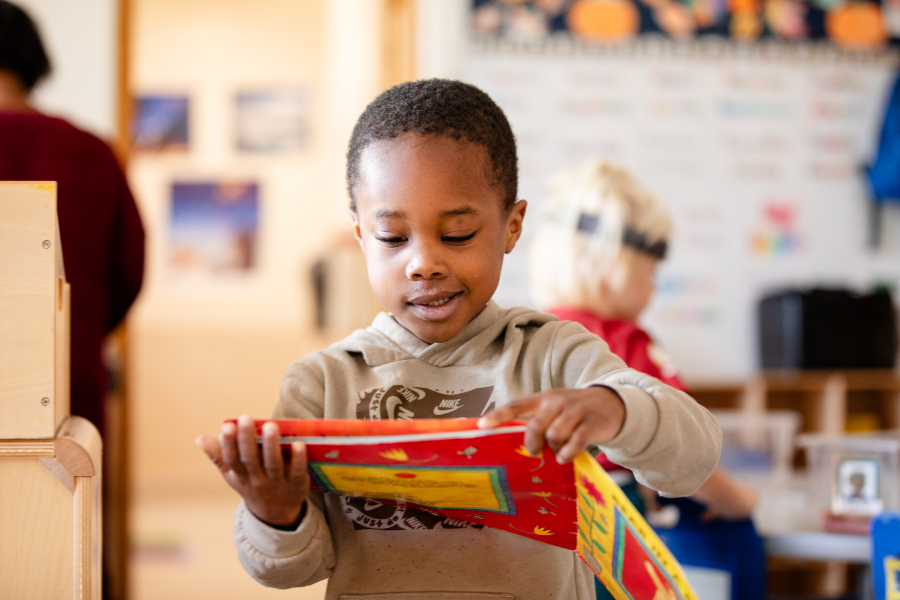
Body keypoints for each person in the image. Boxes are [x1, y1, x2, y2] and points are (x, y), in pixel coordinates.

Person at [197, 79, 721, 600]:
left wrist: (614, 408)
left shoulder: (553, 354)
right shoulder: (323, 382)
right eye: (393, 238)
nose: (424, 263)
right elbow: (293, 570)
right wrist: (276, 512)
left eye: (457, 235)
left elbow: (692, 459)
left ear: (512, 227)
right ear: (361, 237)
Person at [529, 160, 762, 600]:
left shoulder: (525, 338)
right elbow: (687, 452)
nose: (655, 289)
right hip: (607, 544)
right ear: (616, 267)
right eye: (652, 273)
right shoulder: (626, 342)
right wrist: (738, 500)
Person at [0, 0, 145, 436]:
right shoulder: (92, 152)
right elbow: (129, 270)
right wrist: (76, 328)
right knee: (69, 501)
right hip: (69, 379)